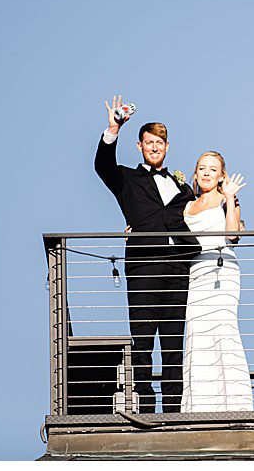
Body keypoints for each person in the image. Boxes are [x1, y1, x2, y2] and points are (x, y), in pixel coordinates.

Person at [93, 94, 198, 414]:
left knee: (173, 345)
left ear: (168, 147)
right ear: (140, 145)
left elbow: (198, 217)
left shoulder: (183, 186)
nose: (154, 147)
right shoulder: (127, 178)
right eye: (149, 142)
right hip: (143, 266)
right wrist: (113, 128)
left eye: (160, 143)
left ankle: (173, 414)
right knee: (142, 342)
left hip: (178, 269)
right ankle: (147, 412)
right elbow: (102, 166)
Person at [180, 151, 253, 413]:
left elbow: (233, 235)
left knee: (223, 331)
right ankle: (198, 407)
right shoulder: (187, 206)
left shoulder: (227, 200)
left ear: (221, 175)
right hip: (197, 271)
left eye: (213, 169)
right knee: (198, 335)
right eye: (202, 168)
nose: (207, 172)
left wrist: (231, 196)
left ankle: (234, 404)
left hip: (222, 270)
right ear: (196, 174)